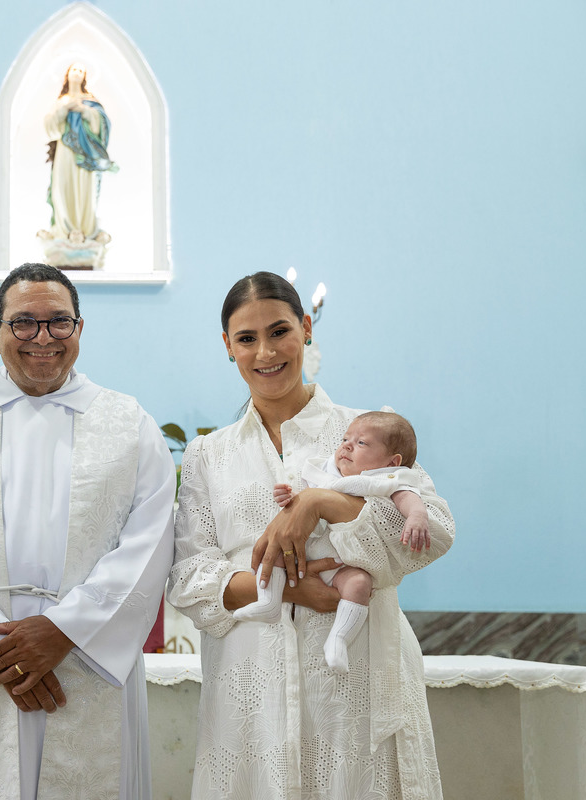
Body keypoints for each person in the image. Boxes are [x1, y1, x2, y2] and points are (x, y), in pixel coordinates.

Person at [168, 271, 454, 799]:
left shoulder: (367, 431)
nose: (265, 352)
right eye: (247, 338)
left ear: (306, 329)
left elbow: (433, 532)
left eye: (279, 332)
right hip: (249, 696)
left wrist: (321, 502)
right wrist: (291, 589)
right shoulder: (210, 455)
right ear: (227, 346)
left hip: (357, 688)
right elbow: (188, 576)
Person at [0, 263, 175, 799]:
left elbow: (150, 539)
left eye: (59, 323)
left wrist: (63, 631)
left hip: (87, 660)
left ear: (79, 329)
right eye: (23, 322)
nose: (42, 338)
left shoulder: (129, 423)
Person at [236, 410, 431, 674]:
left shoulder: (386, 480)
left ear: (391, 461)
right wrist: (289, 496)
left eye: (361, 443)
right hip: (306, 555)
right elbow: (304, 502)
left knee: (359, 584)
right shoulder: (329, 471)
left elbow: (408, 498)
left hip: (343, 566)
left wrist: (417, 516)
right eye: (345, 439)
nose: (347, 446)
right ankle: (269, 603)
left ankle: (339, 639)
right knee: (276, 550)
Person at [44, 63, 117, 243]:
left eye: (80, 71)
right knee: (62, 186)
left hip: (85, 153)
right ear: (67, 74)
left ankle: (86, 230)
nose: (76, 73)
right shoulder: (61, 101)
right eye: (73, 70)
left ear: (84, 77)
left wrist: (85, 111)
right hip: (66, 151)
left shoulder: (91, 101)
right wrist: (64, 109)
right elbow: (51, 127)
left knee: (86, 188)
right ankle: (64, 229)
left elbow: (101, 125)